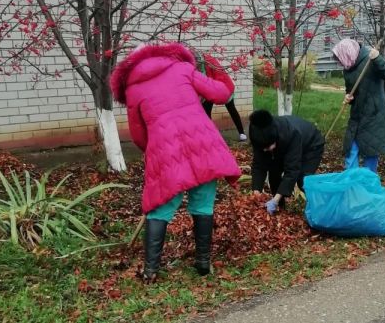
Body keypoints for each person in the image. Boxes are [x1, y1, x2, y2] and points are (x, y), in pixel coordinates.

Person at [110, 43, 241, 280]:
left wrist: (155, 148)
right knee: (203, 204)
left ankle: (151, 271)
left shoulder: (132, 90)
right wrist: (221, 79)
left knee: (160, 208)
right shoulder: (182, 68)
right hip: (203, 144)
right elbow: (222, 94)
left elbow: (138, 135)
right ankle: (203, 263)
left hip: (166, 151)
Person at [332, 38, 385, 174]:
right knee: (351, 150)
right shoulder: (348, 67)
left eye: (341, 58)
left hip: (374, 114)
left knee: (371, 151)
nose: (341, 63)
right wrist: (349, 96)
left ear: (348, 53)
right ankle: (351, 183)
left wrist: (378, 58)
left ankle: (367, 184)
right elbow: (350, 89)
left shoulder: (370, 60)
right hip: (357, 115)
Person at [248, 109, 325, 214]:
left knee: (303, 179)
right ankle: (280, 209)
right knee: (274, 172)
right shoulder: (258, 134)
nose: (266, 150)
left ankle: (320, 207)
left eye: (269, 146)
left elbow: (292, 171)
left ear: (275, 137)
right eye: (264, 148)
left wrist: (275, 199)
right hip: (284, 146)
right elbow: (259, 165)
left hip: (311, 145)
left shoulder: (291, 134)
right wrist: (256, 191)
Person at [196, 51, 247, 142]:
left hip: (224, 87)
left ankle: (241, 132)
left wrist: (216, 91)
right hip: (209, 90)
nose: (196, 65)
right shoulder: (195, 68)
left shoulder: (210, 61)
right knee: (206, 112)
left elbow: (220, 75)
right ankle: (212, 135)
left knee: (231, 109)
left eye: (197, 63)